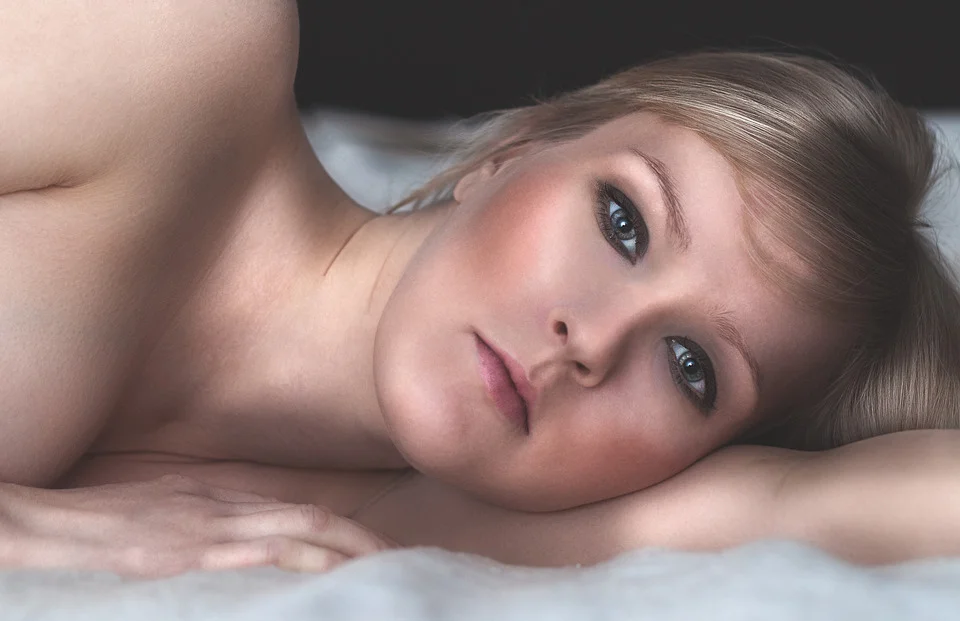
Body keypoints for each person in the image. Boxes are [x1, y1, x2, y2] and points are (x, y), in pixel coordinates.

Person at [2, 1, 959, 577]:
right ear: (516, 147)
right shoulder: (179, 47)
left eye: (691, 366)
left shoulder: (390, 531)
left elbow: (824, 505)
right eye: (624, 221)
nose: (593, 340)